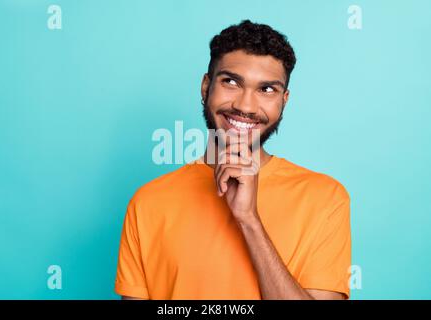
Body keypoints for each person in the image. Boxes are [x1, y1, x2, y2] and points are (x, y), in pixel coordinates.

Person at [115, 20, 351, 300]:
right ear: (206, 86)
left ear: (284, 100)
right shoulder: (147, 203)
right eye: (231, 82)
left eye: (266, 90)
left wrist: (249, 220)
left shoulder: (325, 199)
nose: (245, 106)